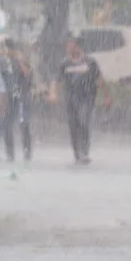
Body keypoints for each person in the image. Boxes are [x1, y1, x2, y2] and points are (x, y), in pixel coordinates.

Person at [49, 34, 112, 164]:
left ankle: (84, 150)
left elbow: (100, 79)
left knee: (83, 121)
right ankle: (77, 152)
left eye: (70, 45)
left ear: (77, 46)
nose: (67, 48)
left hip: (87, 98)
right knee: (73, 125)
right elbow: (56, 80)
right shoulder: (65, 63)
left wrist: (107, 96)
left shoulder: (90, 62)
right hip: (70, 99)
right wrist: (53, 93)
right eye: (66, 45)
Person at [0, 39, 34, 161]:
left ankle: (27, 151)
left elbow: (27, 74)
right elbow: (1, 79)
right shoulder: (2, 62)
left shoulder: (21, 60)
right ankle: (10, 153)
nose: (7, 51)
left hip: (22, 95)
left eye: (8, 49)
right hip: (10, 96)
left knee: (23, 123)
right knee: (7, 123)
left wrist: (19, 60)